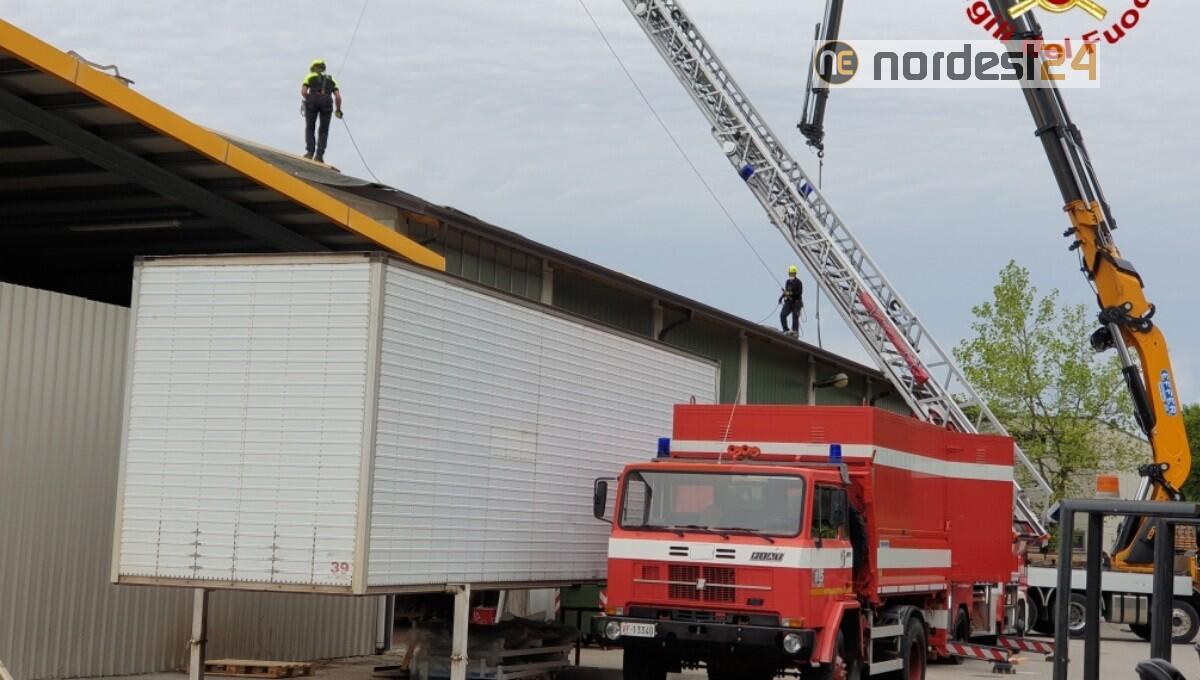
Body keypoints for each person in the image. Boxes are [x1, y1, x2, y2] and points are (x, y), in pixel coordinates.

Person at [300, 58, 342, 163]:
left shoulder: (310, 76)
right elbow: (338, 97)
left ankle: (310, 153)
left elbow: (304, 92)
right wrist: (338, 110)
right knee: (324, 130)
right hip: (327, 102)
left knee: (310, 127)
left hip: (313, 100)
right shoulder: (332, 79)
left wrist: (309, 98)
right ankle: (319, 156)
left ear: (313, 68)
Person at [779, 265, 803, 336]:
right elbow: (786, 291)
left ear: (795, 274)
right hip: (789, 302)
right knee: (782, 315)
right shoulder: (788, 282)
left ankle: (795, 331)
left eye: (792, 274)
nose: (791, 275)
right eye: (790, 274)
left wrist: (791, 293)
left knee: (795, 316)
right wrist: (781, 297)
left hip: (796, 302)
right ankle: (785, 330)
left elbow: (799, 292)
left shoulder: (798, 282)